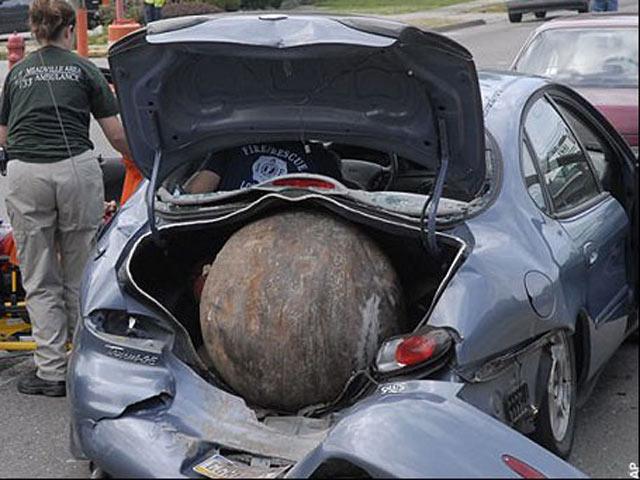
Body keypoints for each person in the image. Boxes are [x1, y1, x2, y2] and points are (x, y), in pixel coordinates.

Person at [0, 0, 131, 397]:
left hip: (27, 172)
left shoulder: (18, 73)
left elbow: (4, 137)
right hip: (75, 169)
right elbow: (116, 134)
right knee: (81, 271)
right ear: (70, 30)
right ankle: (85, 365)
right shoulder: (84, 68)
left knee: (39, 276)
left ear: (36, 30)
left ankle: (51, 369)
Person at [184, 141, 341, 194]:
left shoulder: (233, 145)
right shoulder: (320, 156)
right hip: (297, 227)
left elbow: (199, 190)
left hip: (231, 223)